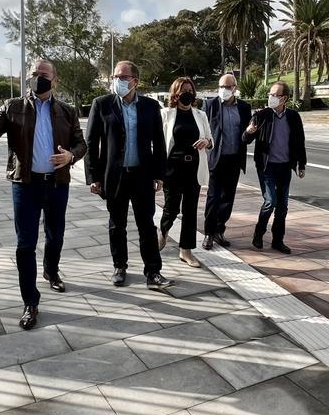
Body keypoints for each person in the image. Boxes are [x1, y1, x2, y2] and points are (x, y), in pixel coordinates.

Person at [0, 59, 85, 330]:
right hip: (26, 185)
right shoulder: (13, 107)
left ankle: (51, 270)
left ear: (55, 80)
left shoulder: (66, 111)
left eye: (44, 75)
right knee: (25, 244)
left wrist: (71, 156)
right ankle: (30, 301)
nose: (38, 78)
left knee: (56, 235)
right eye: (34, 74)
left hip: (57, 184)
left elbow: (81, 143)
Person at [85, 61, 175, 290]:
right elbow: (91, 143)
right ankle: (120, 266)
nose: (118, 80)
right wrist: (93, 177)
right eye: (115, 76)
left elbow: (159, 142)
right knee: (117, 225)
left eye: (123, 77)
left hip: (142, 176)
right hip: (114, 176)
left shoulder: (150, 106)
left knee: (146, 225)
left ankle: (153, 272)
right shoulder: (102, 104)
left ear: (135, 81)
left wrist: (159, 174)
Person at [243, 81, 306, 254]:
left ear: (284, 98)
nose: (271, 97)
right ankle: (259, 233)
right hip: (266, 167)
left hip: (285, 167)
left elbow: (300, 142)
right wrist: (248, 131)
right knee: (270, 201)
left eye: (275, 95)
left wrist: (302, 164)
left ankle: (278, 240)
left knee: (283, 206)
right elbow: (245, 139)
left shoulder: (293, 117)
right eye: (270, 94)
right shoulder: (261, 115)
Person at [158, 77, 214, 268]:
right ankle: (163, 230)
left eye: (190, 90)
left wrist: (207, 141)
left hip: (194, 168)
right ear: (175, 93)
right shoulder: (165, 114)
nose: (187, 93)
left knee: (190, 210)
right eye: (183, 90)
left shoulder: (200, 115)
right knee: (172, 207)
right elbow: (157, 144)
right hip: (172, 168)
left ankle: (186, 250)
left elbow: (210, 139)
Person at [201, 73, 252, 250]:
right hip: (216, 158)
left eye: (228, 87)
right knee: (213, 197)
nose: (224, 90)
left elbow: (247, 137)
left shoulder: (244, 107)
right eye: (221, 86)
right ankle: (208, 233)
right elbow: (203, 130)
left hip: (235, 159)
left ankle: (219, 230)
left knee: (228, 198)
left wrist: (251, 132)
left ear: (235, 88)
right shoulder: (210, 105)